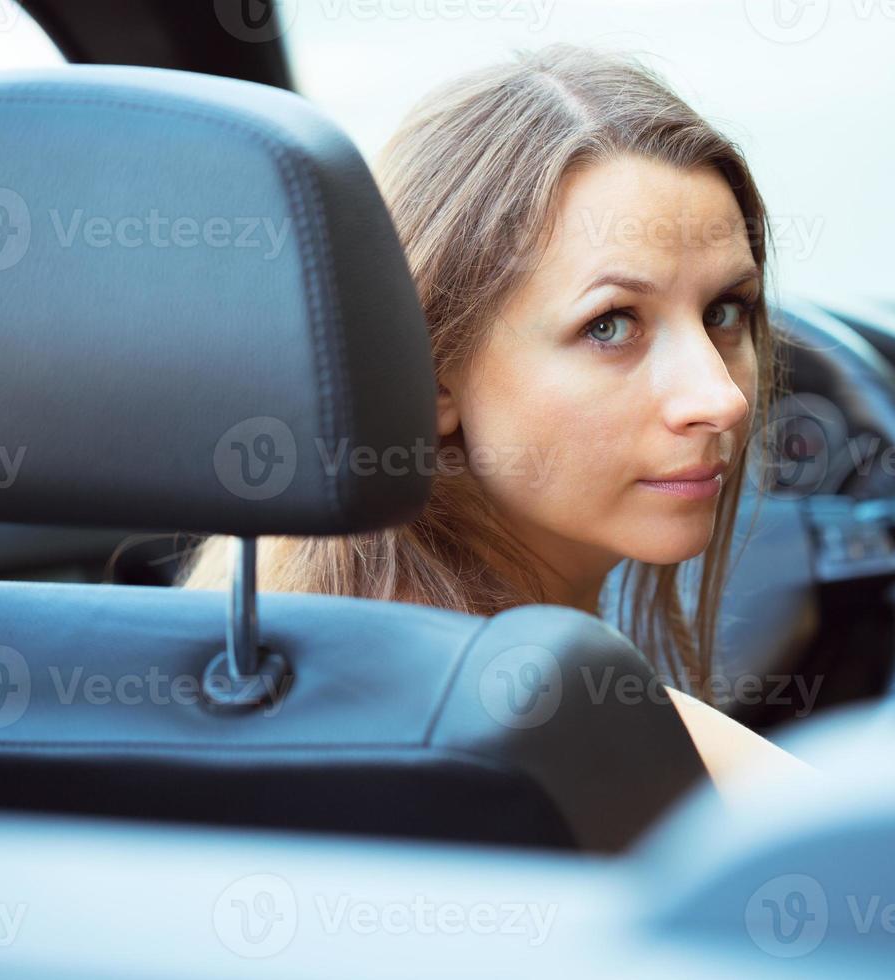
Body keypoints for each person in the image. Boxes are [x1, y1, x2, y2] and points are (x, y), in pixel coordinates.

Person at [184, 43, 808, 791]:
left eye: (724, 311)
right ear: (431, 376)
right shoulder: (609, 743)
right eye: (610, 325)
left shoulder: (241, 667)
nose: (720, 398)